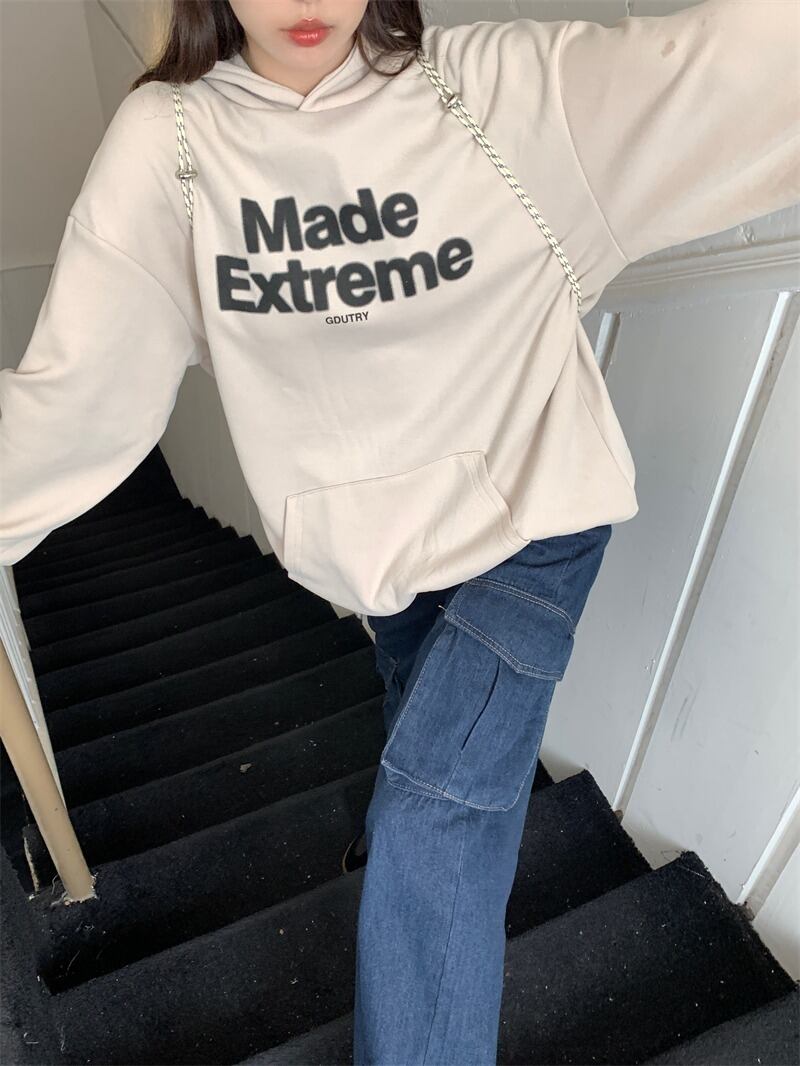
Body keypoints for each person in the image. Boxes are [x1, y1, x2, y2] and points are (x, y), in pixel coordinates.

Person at [0, 0, 797, 1063]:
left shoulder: (496, 92)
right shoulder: (173, 149)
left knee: (438, 817)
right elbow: (73, 401)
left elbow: (739, 70)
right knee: (411, 700)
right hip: (375, 558)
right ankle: (389, 838)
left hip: (532, 524)